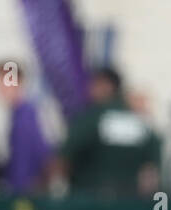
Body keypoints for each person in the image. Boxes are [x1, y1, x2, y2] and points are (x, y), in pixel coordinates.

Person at [57, 67, 161, 199]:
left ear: (106, 86)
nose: (89, 90)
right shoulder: (139, 123)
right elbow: (153, 168)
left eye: (94, 85)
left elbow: (64, 157)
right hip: (130, 203)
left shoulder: (92, 118)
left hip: (89, 201)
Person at [0, 60, 50, 194]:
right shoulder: (19, 114)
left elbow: (36, 159)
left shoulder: (26, 116)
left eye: (1, 82)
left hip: (25, 196)